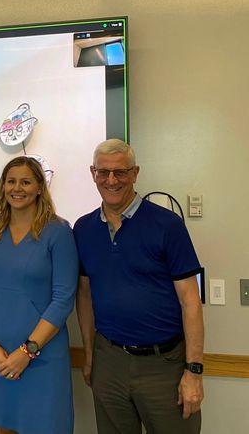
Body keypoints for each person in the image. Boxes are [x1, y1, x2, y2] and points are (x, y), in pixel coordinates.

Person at [74, 139, 204, 434]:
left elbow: (190, 302)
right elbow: (84, 294)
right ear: (93, 173)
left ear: (135, 173)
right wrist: (91, 354)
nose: (111, 180)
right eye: (103, 172)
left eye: (120, 172)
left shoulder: (167, 225)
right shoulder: (83, 229)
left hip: (164, 366)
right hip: (109, 363)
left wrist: (194, 371)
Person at [0, 156, 79, 434]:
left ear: (40, 187)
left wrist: (27, 351)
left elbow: (63, 298)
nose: (18, 188)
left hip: (41, 355)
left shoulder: (59, 232)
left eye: (26, 182)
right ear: (3, 186)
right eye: (11, 181)